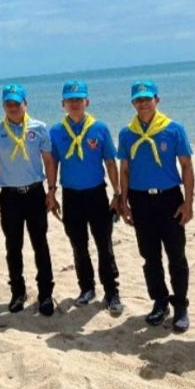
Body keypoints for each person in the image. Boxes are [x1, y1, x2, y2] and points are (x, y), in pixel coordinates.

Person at [117, 80, 195, 332]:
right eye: (138, 99)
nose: (143, 103)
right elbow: (124, 169)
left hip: (169, 198)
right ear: (133, 103)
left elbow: (186, 166)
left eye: (147, 98)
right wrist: (123, 202)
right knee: (150, 256)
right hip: (140, 200)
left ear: (157, 100)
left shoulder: (174, 129)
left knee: (176, 255)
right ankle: (160, 301)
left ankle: (180, 305)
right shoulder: (126, 133)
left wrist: (188, 202)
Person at [48, 80, 123, 313]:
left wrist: (117, 193)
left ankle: (112, 292)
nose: (75, 104)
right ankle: (87, 288)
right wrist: (51, 191)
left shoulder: (99, 128)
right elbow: (53, 163)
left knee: (104, 244)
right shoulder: (56, 132)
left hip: (97, 194)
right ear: (63, 104)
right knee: (78, 245)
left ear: (87, 102)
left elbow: (110, 162)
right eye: (70, 100)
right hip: (71, 196)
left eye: (79, 100)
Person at [0, 83, 57, 316]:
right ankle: (18, 291)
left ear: (25, 104)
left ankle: (45, 293)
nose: (13, 107)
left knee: (40, 244)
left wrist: (51, 191)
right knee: (13, 246)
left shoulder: (39, 128)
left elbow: (48, 161)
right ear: (3, 106)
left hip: (35, 193)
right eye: (9, 103)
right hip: (9, 195)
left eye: (17, 103)